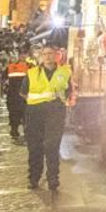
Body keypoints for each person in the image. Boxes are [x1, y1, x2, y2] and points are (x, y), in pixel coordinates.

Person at [25, 46, 72, 192]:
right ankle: (34, 178)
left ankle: (53, 179)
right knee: (35, 147)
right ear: (41, 56)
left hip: (55, 112)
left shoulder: (64, 72)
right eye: (44, 54)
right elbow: (23, 92)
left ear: (56, 55)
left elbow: (68, 91)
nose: (47, 56)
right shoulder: (32, 73)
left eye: (50, 53)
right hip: (35, 113)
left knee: (52, 146)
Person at [5, 51, 30, 143]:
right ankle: (21, 132)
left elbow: (4, 79)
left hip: (15, 95)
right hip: (21, 95)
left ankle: (16, 131)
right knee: (22, 114)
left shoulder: (10, 67)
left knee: (16, 114)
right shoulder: (30, 67)